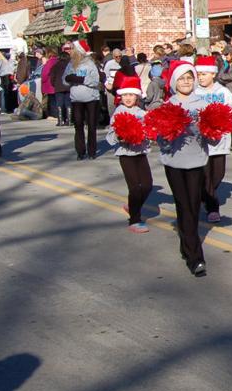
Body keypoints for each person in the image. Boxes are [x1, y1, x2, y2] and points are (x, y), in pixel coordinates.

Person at [156, 60, 210, 277]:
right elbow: (160, 139)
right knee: (183, 206)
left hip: (197, 161)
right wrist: (170, 133)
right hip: (174, 162)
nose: (186, 82)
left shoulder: (203, 104)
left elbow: (213, 137)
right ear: (174, 82)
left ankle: (186, 245)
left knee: (194, 207)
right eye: (181, 78)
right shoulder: (167, 105)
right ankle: (196, 258)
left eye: (189, 78)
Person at [193, 56, 232, 224]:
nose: (201, 77)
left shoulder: (223, 92)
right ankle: (213, 208)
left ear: (213, 74)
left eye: (204, 74)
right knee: (206, 176)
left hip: (220, 141)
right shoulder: (195, 92)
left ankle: (202, 195)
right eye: (199, 74)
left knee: (218, 175)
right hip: (202, 143)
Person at [105, 74, 153, 233]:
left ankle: (132, 205)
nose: (128, 98)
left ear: (137, 96)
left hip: (140, 152)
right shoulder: (119, 112)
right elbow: (111, 135)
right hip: (125, 153)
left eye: (131, 94)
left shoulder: (141, 112)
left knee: (147, 185)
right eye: (125, 95)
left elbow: (150, 130)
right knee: (135, 187)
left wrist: (149, 133)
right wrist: (119, 135)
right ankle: (134, 219)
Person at [63, 40, 101, 160]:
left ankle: (92, 151)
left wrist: (80, 79)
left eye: (73, 48)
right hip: (76, 99)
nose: (71, 51)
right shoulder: (71, 64)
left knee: (91, 125)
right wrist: (69, 78)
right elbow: (64, 80)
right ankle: (80, 151)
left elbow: (95, 81)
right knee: (78, 125)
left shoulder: (90, 63)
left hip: (91, 98)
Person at [47, 47, 71, 126]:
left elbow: (52, 77)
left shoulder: (55, 66)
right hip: (68, 86)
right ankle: (69, 120)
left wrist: (54, 84)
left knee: (59, 104)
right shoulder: (70, 66)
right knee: (68, 103)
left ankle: (60, 121)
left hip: (58, 87)